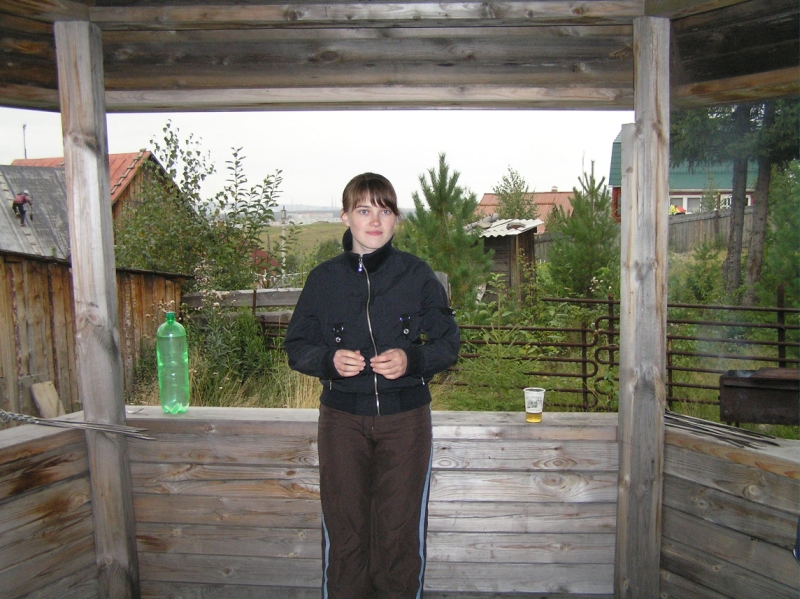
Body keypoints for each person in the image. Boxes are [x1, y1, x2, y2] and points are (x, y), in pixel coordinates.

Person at [284, 173, 460, 598]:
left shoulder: (416, 275)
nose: (375, 220)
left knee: (399, 538)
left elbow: (448, 344)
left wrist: (411, 360)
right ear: (345, 217)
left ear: (397, 218)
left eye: (385, 210)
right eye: (364, 210)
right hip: (342, 422)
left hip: (406, 422)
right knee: (345, 536)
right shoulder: (323, 279)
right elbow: (296, 346)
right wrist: (328, 361)